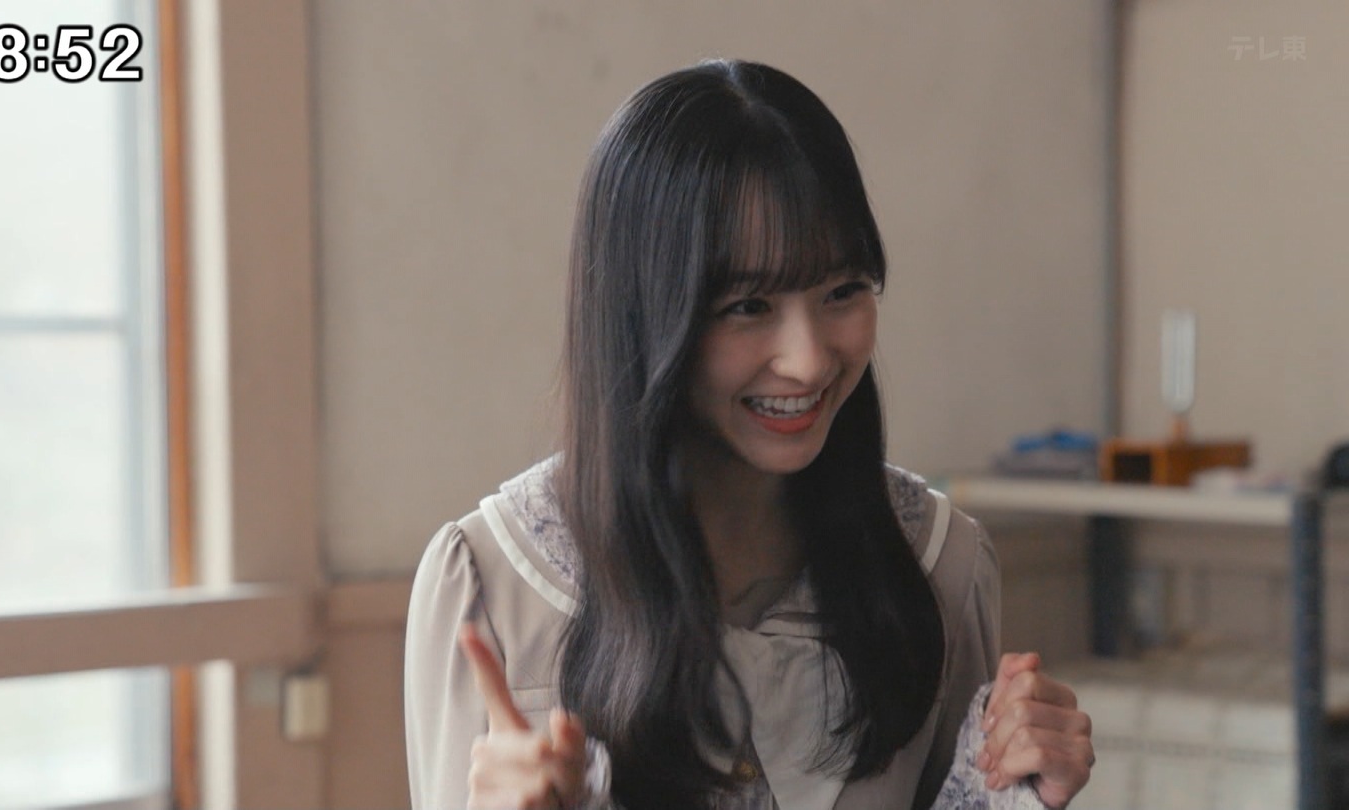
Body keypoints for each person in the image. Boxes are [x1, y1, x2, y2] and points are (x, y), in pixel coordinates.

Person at [405, 59, 1094, 810]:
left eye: (842, 291)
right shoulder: (497, 584)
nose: (808, 361)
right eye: (747, 306)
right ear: (643, 316)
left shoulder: (939, 566)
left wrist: (1023, 789)